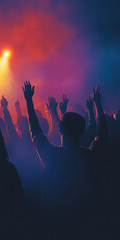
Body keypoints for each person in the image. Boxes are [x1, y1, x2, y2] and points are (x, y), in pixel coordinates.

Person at [22, 81, 107, 237]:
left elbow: (34, 130)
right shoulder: (89, 156)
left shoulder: (51, 155)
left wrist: (28, 100)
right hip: (84, 224)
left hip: (54, 224)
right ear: (81, 131)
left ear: (60, 129)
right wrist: (98, 105)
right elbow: (102, 134)